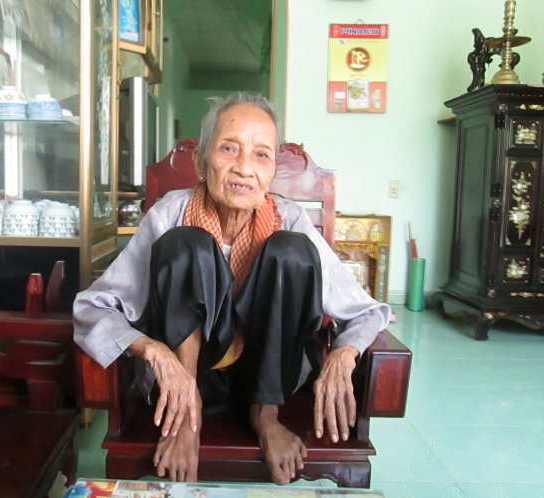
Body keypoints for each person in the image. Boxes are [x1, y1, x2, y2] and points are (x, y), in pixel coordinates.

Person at [73, 93, 390, 485]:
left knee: (290, 251)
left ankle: (265, 415)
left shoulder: (289, 218)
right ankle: (187, 414)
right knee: (185, 243)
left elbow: (367, 311)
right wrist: (152, 350)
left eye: (261, 155)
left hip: (274, 378)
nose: (244, 168)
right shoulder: (171, 213)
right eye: (228, 148)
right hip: (185, 379)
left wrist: (343, 354)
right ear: (201, 162)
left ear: (272, 170)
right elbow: (92, 308)